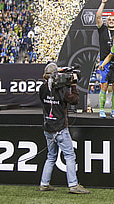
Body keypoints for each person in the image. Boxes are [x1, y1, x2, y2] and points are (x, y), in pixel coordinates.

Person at [39, 63, 89, 194]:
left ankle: (44, 183)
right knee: (70, 156)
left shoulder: (41, 89)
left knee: (51, 156)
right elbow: (75, 100)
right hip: (60, 128)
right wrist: (72, 85)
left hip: (48, 127)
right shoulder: (61, 91)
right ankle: (73, 184)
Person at [96, 0, 114, 118]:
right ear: (106, 21)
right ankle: (101, 110)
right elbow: (98, 16)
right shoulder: (102, 30)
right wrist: (103, 3)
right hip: (104, 62)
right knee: (104, 85)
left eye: (113, 20)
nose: (111, 21)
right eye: (109, 20)